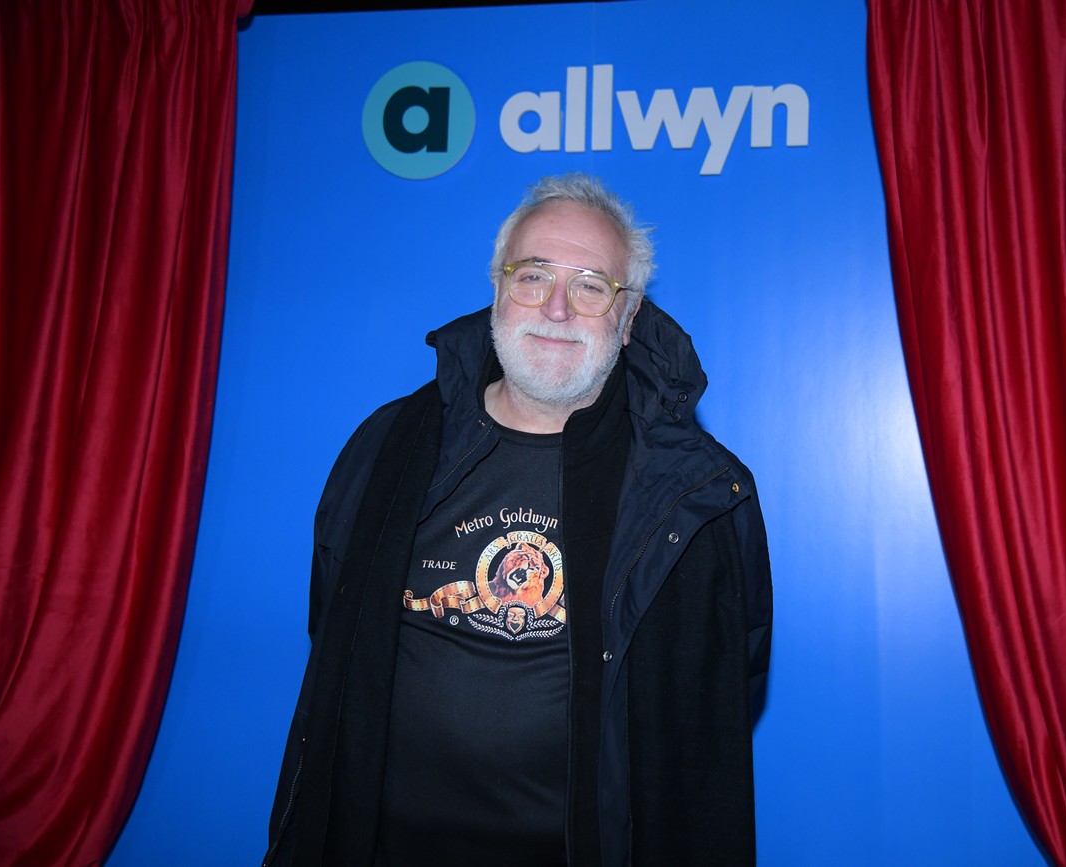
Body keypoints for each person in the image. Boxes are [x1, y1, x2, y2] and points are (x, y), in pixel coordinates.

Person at [263, 173, 772, 866]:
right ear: (498, 291)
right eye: (533, 276)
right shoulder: (389, 447)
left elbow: (719, 691)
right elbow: (334, 632)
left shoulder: (697, 493)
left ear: (627, 320)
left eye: (590, 286)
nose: (556, 308)